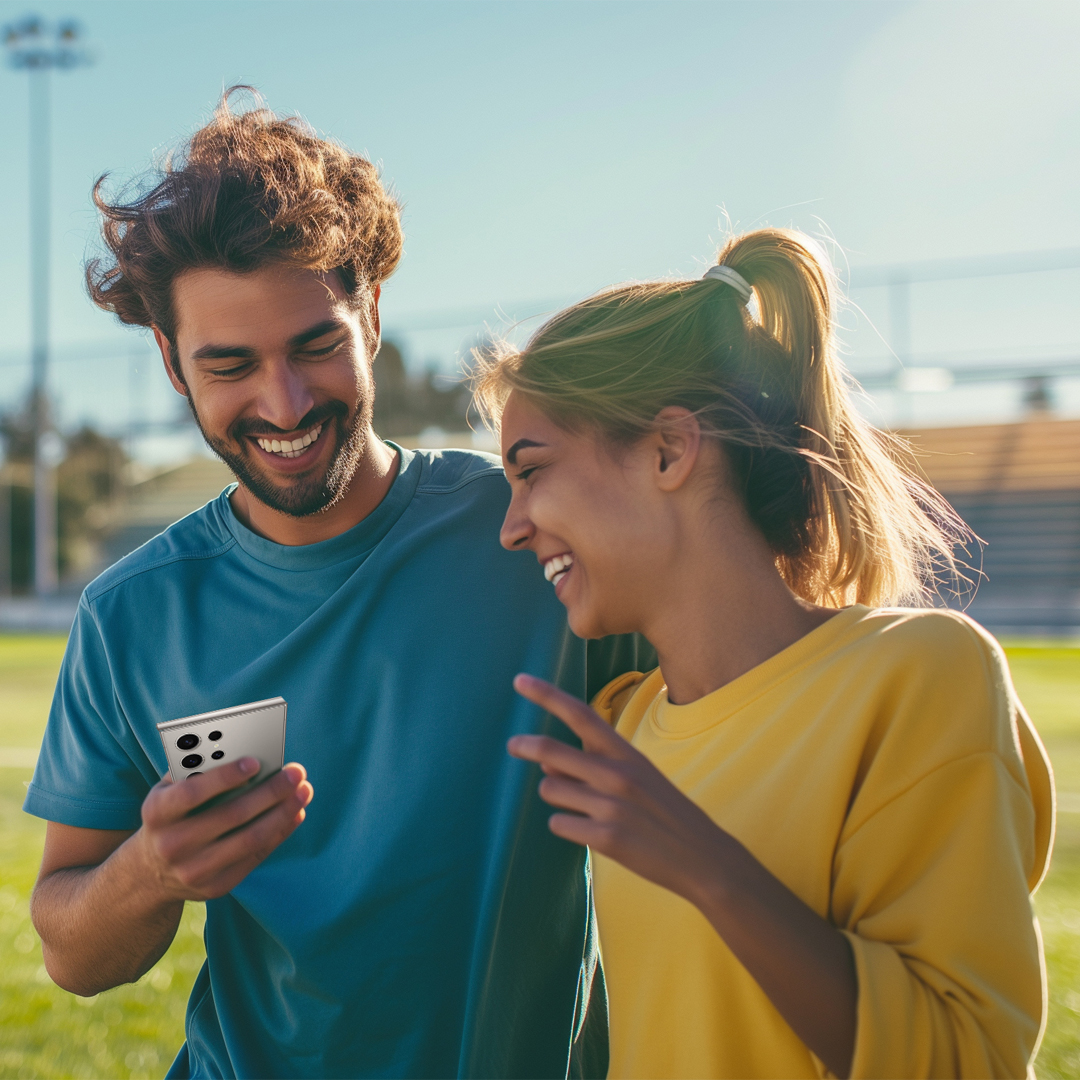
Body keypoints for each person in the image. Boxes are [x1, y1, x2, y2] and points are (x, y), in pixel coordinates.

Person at [24, 91, 651, 1080]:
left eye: (315, 345)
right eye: (229, 364)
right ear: (171, 362)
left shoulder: (533, 533)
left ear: (370, 314)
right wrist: (151, 871)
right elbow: (72, 952)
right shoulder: (131, 615)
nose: (284, 402)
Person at [474, 228, 1055, 1079]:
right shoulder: (624, 728)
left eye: (532, 470)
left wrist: (706, 866)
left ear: (670, 450)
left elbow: (968, 1057)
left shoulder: (920, 676)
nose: (511, 525)